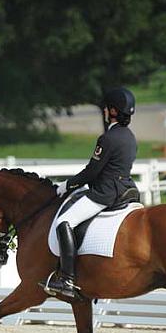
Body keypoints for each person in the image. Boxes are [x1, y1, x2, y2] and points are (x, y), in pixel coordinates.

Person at [44, 87, 138, 298]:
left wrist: (67, 185)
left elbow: (92, 171)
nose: (104, 111)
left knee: (64, 222)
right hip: (126, 189)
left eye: (106, 109)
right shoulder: (130, 137)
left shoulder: (108, 139)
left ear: (113, 112)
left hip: (105, 193)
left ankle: (67, 279)